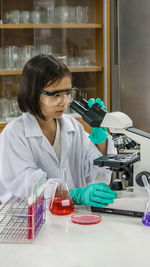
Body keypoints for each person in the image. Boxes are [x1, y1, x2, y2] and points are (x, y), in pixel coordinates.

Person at [0, 54, 117, 207]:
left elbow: (95, 174)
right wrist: (73, 195)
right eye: (55, 95)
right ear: (33, 93)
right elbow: (27, 185)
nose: (64, 102)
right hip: (33, 224)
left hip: (71, 219)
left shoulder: (73, 127)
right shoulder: (14, 134)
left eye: (68, 93)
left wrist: (100, 140)